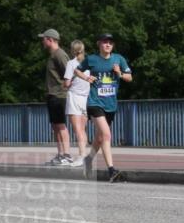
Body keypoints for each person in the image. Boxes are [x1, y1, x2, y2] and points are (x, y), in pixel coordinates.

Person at [75, 33, 132, 182]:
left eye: (110, 43)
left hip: (110, 104)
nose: (108, 45)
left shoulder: (118, 59)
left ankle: (88, 160)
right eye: (105, 42)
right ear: (99, 44)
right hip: (95, 103)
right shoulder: (92, 59)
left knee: (100, 138)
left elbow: (129, 78)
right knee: (106, 135)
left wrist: (119, 73)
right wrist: (86, 77)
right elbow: (77, 70)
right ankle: (111, 171)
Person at [39, 28, 71, 166]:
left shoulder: (59, 55)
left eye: (43, 39)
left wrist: (64, 89)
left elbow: (70, 73)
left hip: (59, 95)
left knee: (61, 126)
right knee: (55, 126)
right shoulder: (53, 55)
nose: (42, 41)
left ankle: (67, 155)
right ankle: (60, 154)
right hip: (52, 95)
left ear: (50, 40)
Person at [62, 39, 91, 168]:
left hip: (74, 97)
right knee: (83, 129)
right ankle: (84, 154)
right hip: (87, 98)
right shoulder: (89, 63)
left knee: (77, 129)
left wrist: (64, 85)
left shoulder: (71, 63)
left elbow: (67, 83)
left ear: (73, 50)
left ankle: (81, 155)